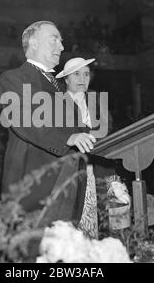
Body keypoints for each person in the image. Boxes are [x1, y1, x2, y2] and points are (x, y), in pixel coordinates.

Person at [0, 21, 96, 225]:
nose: (61, 46)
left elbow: (82, 131)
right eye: (54, 40)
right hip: (33, 189)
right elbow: (23, 119)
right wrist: (68, 138)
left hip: (69, 182)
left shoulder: (61, 87)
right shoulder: (14, 78)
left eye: (61, 41)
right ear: (33, 43)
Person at [55, 57, 98, 238]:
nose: (83, 78)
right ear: (66, 79)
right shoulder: (56, 103)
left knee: (89, 231)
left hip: (91, 175)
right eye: (77, 74)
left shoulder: (95, 104)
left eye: (86, 74)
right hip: (66, 176)